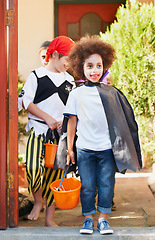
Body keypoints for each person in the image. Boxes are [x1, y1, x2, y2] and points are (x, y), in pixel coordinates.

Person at [64, 35, 142, 235]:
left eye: (98, 66)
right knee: (88, 186)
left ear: (104, 66)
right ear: (81, 67)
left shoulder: (111, 92)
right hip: (85, 149)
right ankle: (88, 219)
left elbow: (122, 123)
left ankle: (104, 220)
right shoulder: (76, 94)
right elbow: (71, 122)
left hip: (106, 148)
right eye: (89, 66)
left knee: (107, 185)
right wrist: (70, 149)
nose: (94, 70)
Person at [18, 36, 75, 227]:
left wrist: (63, 122)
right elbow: (27, 102)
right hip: (38, 130)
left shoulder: (70, 81)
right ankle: (38, 201)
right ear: (56, 55)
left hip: (59, 136)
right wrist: (47, 118)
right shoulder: (37, 75)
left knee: (55, 175)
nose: (71, 63)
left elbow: (72, 108)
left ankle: (50, 218)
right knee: (33, 169)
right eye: (69, 58)